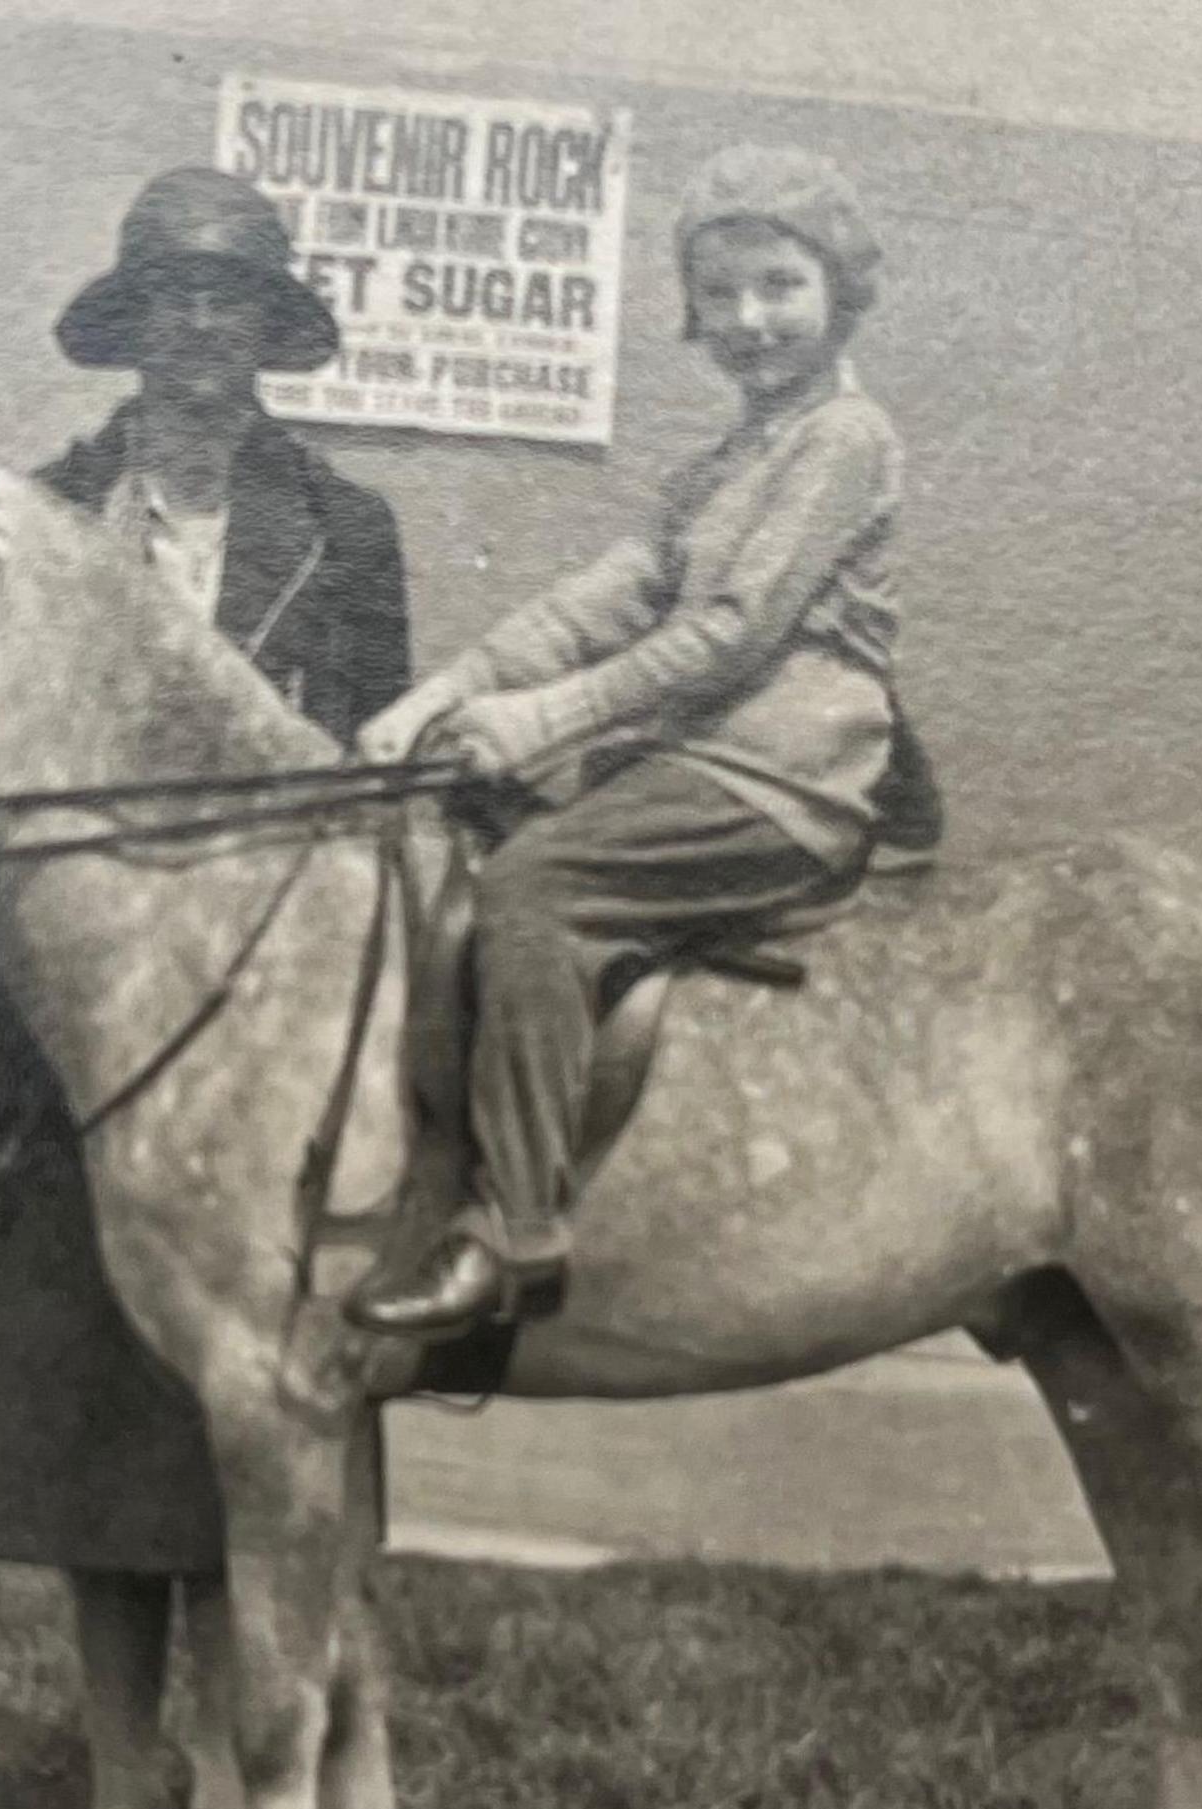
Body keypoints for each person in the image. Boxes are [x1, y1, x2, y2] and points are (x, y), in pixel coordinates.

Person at [0, 166, 410, 1809]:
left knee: (259, 1423)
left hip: (270, 1049)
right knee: (78, 1424)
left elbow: (366, 796)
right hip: (68, 1027)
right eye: (175, 302)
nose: (206, 334)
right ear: (131, 330)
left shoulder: (345, 535)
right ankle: (125, 1793)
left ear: (275, 338)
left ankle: (251, 1784)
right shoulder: (38, 520)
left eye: (237, 306)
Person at [346, 144, 940, 1336]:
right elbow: (605, 599)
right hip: (701, 764)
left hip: (782, 781)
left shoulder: (846, 440)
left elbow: (727, 632)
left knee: (532, 894)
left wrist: (540, 720)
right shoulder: (724, 463)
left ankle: (515, 1235)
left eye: (779, 285)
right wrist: (445, 692)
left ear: (839, 293)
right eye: (719, 295)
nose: (748, 319)